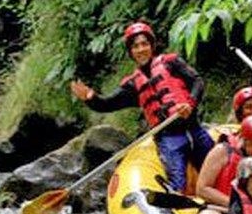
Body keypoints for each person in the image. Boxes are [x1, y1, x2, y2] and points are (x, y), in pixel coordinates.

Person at [69, 21, 213, 193]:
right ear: (131, 52)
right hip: (169, 138)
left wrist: (190, 103)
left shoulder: (171, 63)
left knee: (217, 169)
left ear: (152, 46)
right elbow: (107, 104)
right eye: (135, 46)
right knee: (177, 182)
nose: (141, 49)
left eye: (144, 44)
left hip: (194, 129)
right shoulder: (133, 85)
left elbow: (197, 81)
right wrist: (91, 98)